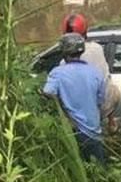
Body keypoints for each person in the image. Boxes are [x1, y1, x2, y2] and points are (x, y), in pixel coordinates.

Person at [43, 33, 106, 163]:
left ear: (64, 52)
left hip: (73, 131)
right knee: (98, 170)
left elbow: (48, 93)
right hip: (94, 131)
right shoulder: (96, 72)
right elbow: (100, 101)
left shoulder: (57, 73)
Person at [60, 13, 121, 133]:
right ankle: (111, 123)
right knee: (112, 88)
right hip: (104, 105)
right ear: (85, 32)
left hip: (83, 112)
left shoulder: (63, 64)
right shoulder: (97, 48)